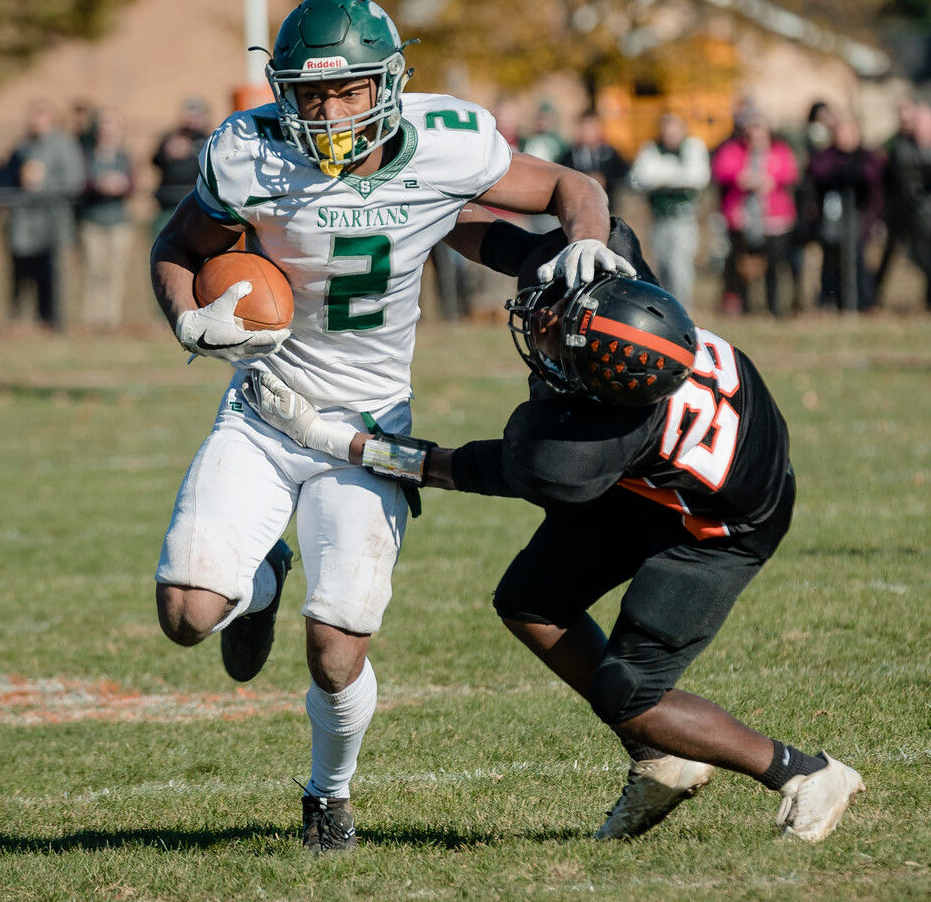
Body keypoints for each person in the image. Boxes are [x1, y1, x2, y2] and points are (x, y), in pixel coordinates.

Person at [150, 0, 634, 855]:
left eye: (349, 91)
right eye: (309, 94)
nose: (329, 113)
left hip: (367, 427)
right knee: (187, 614)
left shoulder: (446, 142)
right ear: (283, 92)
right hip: (266, 410)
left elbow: (570, 185)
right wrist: (189, 317)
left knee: (336, 651)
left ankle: (327, 796)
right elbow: (175, 249)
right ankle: (259, 583)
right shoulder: (249, 153)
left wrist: (586, 240)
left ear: (389, 84)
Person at [243, 266, 865, 846]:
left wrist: (342, 442)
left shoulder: (575, 451)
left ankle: (803, 772)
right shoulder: (634, 314)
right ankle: (661, 761)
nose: (548, 328)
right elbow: (583, 217)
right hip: (660, 477)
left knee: (629, 694)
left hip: (716, 530)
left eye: (568, 341)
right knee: (530, 599)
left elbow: (462, 467)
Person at [2, 100, 86, 328]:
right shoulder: (21, 148)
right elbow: (6, 181)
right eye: (32, 116)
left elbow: (75, 183)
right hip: (24, 225)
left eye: (40, 115)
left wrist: (43, 182)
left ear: (52, 119)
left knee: (53, 275)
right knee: (21, 276)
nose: (34, 121)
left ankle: (53, 321)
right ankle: (20, 321)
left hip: (53, 223)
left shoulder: (65, 145)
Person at [712, 112, 799, 316]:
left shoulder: (780, 151)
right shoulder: (734, 150)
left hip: (774, 220)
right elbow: (721, 169)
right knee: (742, 266)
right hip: (743, 218)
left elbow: (790, 172)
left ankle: (775, 307)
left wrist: (771, 180)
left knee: (775, 265)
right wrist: (740, 178)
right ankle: (746, 306)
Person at [628, 113, 710, 307]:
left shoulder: (692, 147)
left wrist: (661, 175)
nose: (669, 134)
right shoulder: (651, 149)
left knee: (680, 267)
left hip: (684, 218)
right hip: (659, 219)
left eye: (674, 129)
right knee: (661, 266)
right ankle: (666, 308)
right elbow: (640, 178)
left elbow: (697, 178)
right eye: (666, 129)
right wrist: (676, 174)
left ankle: (683, 309)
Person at [807, 115, 882, 311]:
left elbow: (872, 177)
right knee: (831, 262)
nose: (845, 137)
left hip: (859, 219)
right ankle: (829, 301)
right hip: (832, 221)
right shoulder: (827, 156)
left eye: (850, 133)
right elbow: (818, 172)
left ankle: (862, 303)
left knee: (857, 260)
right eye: (841, 133)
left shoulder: (866, 156)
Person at [76, 108, 135, 330]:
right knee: (94, 270)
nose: (107, 130)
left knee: (116, 272)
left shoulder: (125, 156)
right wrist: (98, 184)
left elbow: (133, 184)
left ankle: (111, 320)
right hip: (92, 220)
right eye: (104, 125)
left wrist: (122, 185)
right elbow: (80, 181)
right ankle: (91, 319)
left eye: (112, 125)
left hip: (119, 221)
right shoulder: (86, 153)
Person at [874, 97, 919, 302]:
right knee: (888, 256)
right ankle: (873, 297)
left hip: (919, 209)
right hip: (896, 207)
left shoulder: (922, 142)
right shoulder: (891, 143)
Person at [151, 97, 211, 236]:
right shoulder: (171, 137)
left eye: (197, 114)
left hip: (198, 205)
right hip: (168, 204)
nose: (192, 118)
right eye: (189, 114)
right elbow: (154, 161)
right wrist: (166, 152)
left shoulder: (211, 139)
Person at [560, 112, 629, 213]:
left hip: (608, 209)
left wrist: (605, 179)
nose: (586, 133)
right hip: (580, 211)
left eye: (590, 128)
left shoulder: (610, 153)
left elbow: (622, 176)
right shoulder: (570, 156)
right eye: (583, 129)